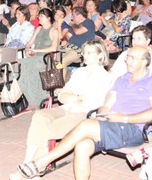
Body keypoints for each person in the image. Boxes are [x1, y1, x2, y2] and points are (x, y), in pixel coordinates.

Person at [14, 45, 152, 180]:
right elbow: (106, 105)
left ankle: (41, 163)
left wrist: (123, 118)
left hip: (133, 129)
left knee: (86, 125)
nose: (127, 61)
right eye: (127, 57)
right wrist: (103, 115)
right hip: (112, 125)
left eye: (132, 58)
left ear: (144, 62)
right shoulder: (121, 80)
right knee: (82, 146)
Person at [9, 41, 112, 180]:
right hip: (67, 107)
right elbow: (62, 94)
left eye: (90, 53)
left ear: (100, 55)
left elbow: (93, 102)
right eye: (84, 52)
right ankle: (28, 165)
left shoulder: (105, 77)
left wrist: (74, 97)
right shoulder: (80, 72)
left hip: (84, 114)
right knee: (40, 116)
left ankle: (26, 171)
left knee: (47, 129)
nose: (85, 56)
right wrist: (76, 98)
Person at [18, 8, 60, 106]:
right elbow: (29, 43)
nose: (38, 18)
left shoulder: (54, 31)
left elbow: (54, 48)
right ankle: (27, 94)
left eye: (41, 16)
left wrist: (36, 50)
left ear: (48, 18)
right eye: (39, 15)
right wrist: (27, 49)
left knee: (24, 64)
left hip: (45, 58)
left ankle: (34, 96)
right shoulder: (38, 28)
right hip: (35, 56)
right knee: (20, 63)